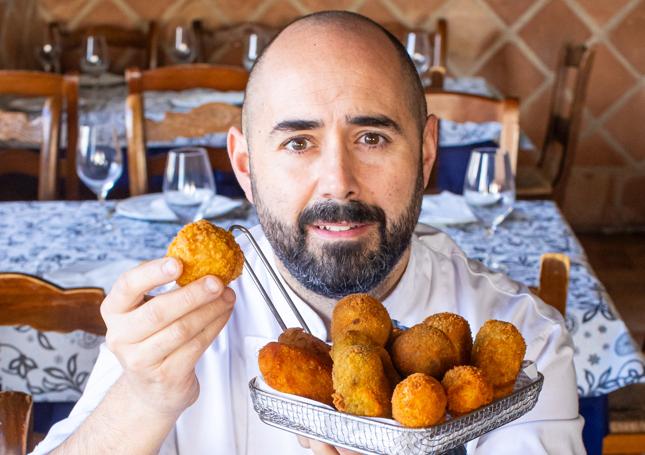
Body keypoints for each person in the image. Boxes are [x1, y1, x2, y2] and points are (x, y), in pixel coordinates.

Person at [32, 11, 584, 455]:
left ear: (426, 153)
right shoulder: (172, 325)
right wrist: (144, 397)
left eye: (371, 138)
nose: (338, 183)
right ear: (245, 167)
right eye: (299, 143)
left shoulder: (522, 343)